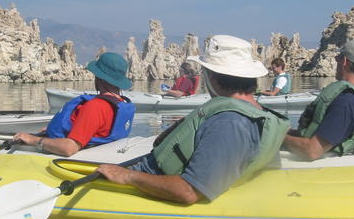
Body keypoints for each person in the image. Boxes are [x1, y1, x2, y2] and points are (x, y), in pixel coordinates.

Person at [97, 35, 290, 204]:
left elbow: (188, 191)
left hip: (149, 184)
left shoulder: (229, 122)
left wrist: (128, 176)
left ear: (212, 76)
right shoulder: (258, 113)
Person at [13, 52, 135, 157]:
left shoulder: (96, 107)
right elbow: (98, 129)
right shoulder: (122, 103)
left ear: (99, 77)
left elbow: (69, 149)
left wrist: (33, 140)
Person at [283, 40, 354, 160]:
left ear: (344, 61)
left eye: (338, 57)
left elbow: (313, 151)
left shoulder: (346, 102)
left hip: (315, 154)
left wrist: (280, 138)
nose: (335, 60)